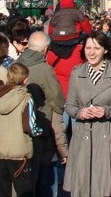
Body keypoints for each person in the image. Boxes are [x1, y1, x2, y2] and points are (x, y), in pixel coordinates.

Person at [63, 31, 111, 197]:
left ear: (105, 50)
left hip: (109, 137)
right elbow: (69, 106)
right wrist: (80, 112)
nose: (91, 52)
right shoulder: (76, 73)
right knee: (83, 187)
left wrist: (106, 111)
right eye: (88, 48)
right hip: (83, 138)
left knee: (106, 188)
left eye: (96, 48)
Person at [16, 31, 68, 196]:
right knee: (46, 176)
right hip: (41, 125)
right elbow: (57, 98)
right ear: (45, 49)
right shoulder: (44, 69)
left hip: (18, 128)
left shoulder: (15, 65)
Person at [0, 63, 40, 197]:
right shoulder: (26, 98)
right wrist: (39, 132)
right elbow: (30, 126)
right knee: (24, 191)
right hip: (19, 153)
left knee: (1, 192)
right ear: (25, 80)